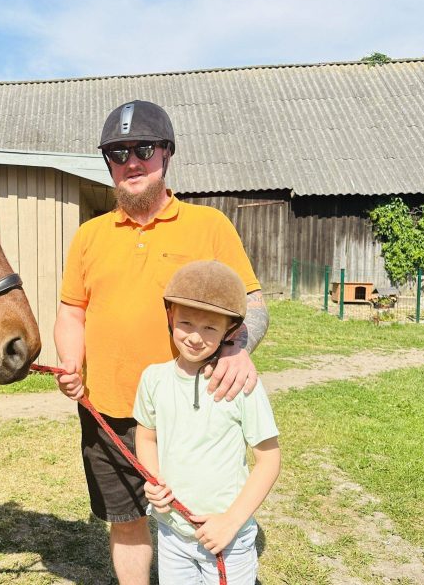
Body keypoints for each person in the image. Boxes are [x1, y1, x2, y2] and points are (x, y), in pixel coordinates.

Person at [54, 100, 269, 585]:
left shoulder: (209, 226)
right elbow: (72, 311)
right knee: (126, 521)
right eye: (117, 152)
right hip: (107, 409)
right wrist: (72, 360)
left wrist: (237, 347)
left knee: (198, 523)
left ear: (166, 155)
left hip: (191, 413)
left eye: (143, 148)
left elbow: (253, 304)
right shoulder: (88, 236)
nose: (131, 161)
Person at [134, 260, 280, 584]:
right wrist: (154, 479)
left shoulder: (241, 384)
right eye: (186, 322)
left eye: (210, 328)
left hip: (229, 539)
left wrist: (231, 522)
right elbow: (145, 438)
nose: (196, 337)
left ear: (230, 330)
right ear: (170, 315)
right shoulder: (153, 380)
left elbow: (269, 460)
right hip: (172, 532)